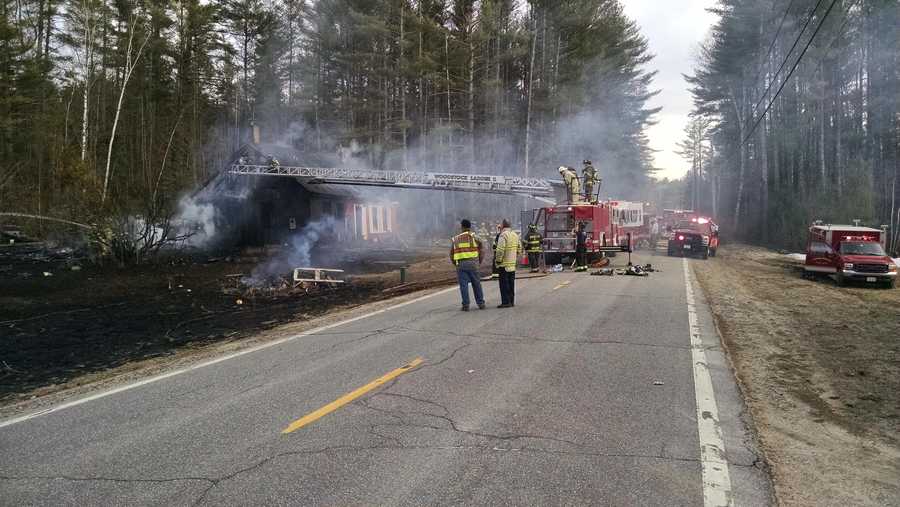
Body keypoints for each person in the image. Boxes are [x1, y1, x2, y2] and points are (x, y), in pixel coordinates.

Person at [450, 219, 485, 311]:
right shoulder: (475, 237)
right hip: (474, 264)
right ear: (470, 227)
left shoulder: (456, 239)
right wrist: (479, 261)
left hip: (461, 265)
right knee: (476, 284)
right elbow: (482, 250)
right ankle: (481, 303)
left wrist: (456, 264)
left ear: (462, 227)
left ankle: (466, 305)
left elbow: (451, 254)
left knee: (463, 286)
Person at [494, 219, 521, 308]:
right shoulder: (515, 235)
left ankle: (505, 302)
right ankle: (511, 301)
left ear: (503, 225)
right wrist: (514, 256)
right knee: (511, 284)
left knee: (504, 285)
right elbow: (519, 248)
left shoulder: (503, 235)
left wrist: (498, 260)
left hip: (504, 265)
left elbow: (500, 250)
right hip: (512, 265)